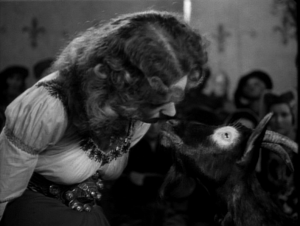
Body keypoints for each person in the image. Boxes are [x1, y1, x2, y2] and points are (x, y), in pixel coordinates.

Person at [0, 10, 207, 226]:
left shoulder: (138, 114)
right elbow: (3, 188)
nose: (171, 112)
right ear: (119, 83)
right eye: (157, 100)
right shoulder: (49, 106)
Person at [258, 90, 298, 220]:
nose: (278, 120)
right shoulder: (261, 146)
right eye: (273, 115)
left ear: (293, 117)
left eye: (284, 115)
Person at [0, 65, 29, 130]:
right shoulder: (2, 97)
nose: (14, 82)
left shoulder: (25, 97)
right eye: (11, 78)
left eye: (18, 79)